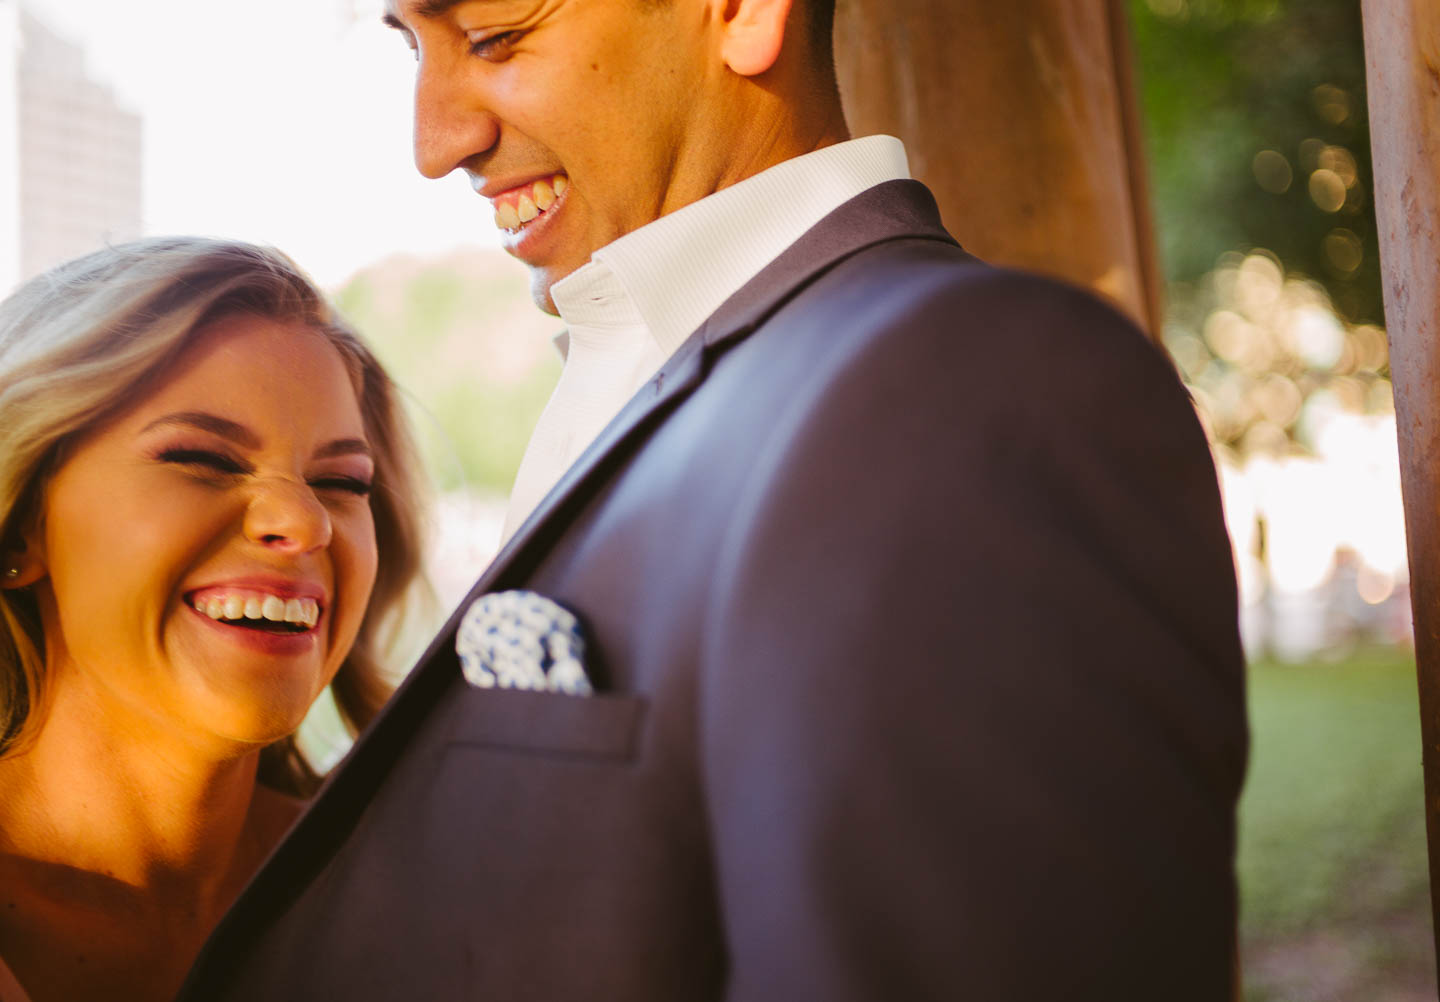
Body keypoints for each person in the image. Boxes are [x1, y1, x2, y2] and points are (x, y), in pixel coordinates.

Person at [178, 1, 1249, 999]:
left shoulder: (975, 390)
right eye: (416, 48)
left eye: (496, 35)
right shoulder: (645, 367)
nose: (434, 141)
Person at [0, 237, 424, 1002]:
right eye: (204, 458)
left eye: (341, 481)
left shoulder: (436, 897)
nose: (304, 522)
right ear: (22, 524)